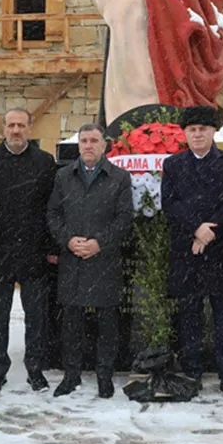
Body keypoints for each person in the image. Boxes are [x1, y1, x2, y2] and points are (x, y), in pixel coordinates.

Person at [161, 105, 223, 401]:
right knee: (190, 315)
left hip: (220, 251)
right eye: (192, 130)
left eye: (203, 130)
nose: (198, 134)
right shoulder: (173, 165)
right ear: (185, 133)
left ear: (213, 132)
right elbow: (170, 205)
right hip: (187, 250)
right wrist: (196, 229)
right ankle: (192, 371)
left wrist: (211, 232)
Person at [0, 108, 59, 394]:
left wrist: (50, 247)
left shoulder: (44, 162)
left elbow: (51, 208)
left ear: (29, 128)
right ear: (3, 128)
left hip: (34, 252)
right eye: (11, 125)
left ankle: (35, 367)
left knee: (36, 315)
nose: (16, 130)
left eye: (21, 125)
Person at [46, 123, 134, 398]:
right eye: (84, 140)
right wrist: (68, 240)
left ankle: (104, 375)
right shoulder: (63, 176)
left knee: (107, 323)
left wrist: (99, 243)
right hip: (73, 259)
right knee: (71, 322)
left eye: (94, 140)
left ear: (104, 145)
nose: (88, 145)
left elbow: (124, 219)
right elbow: (53, 214)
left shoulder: (119, 178)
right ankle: (71, 375)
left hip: (104, 259)